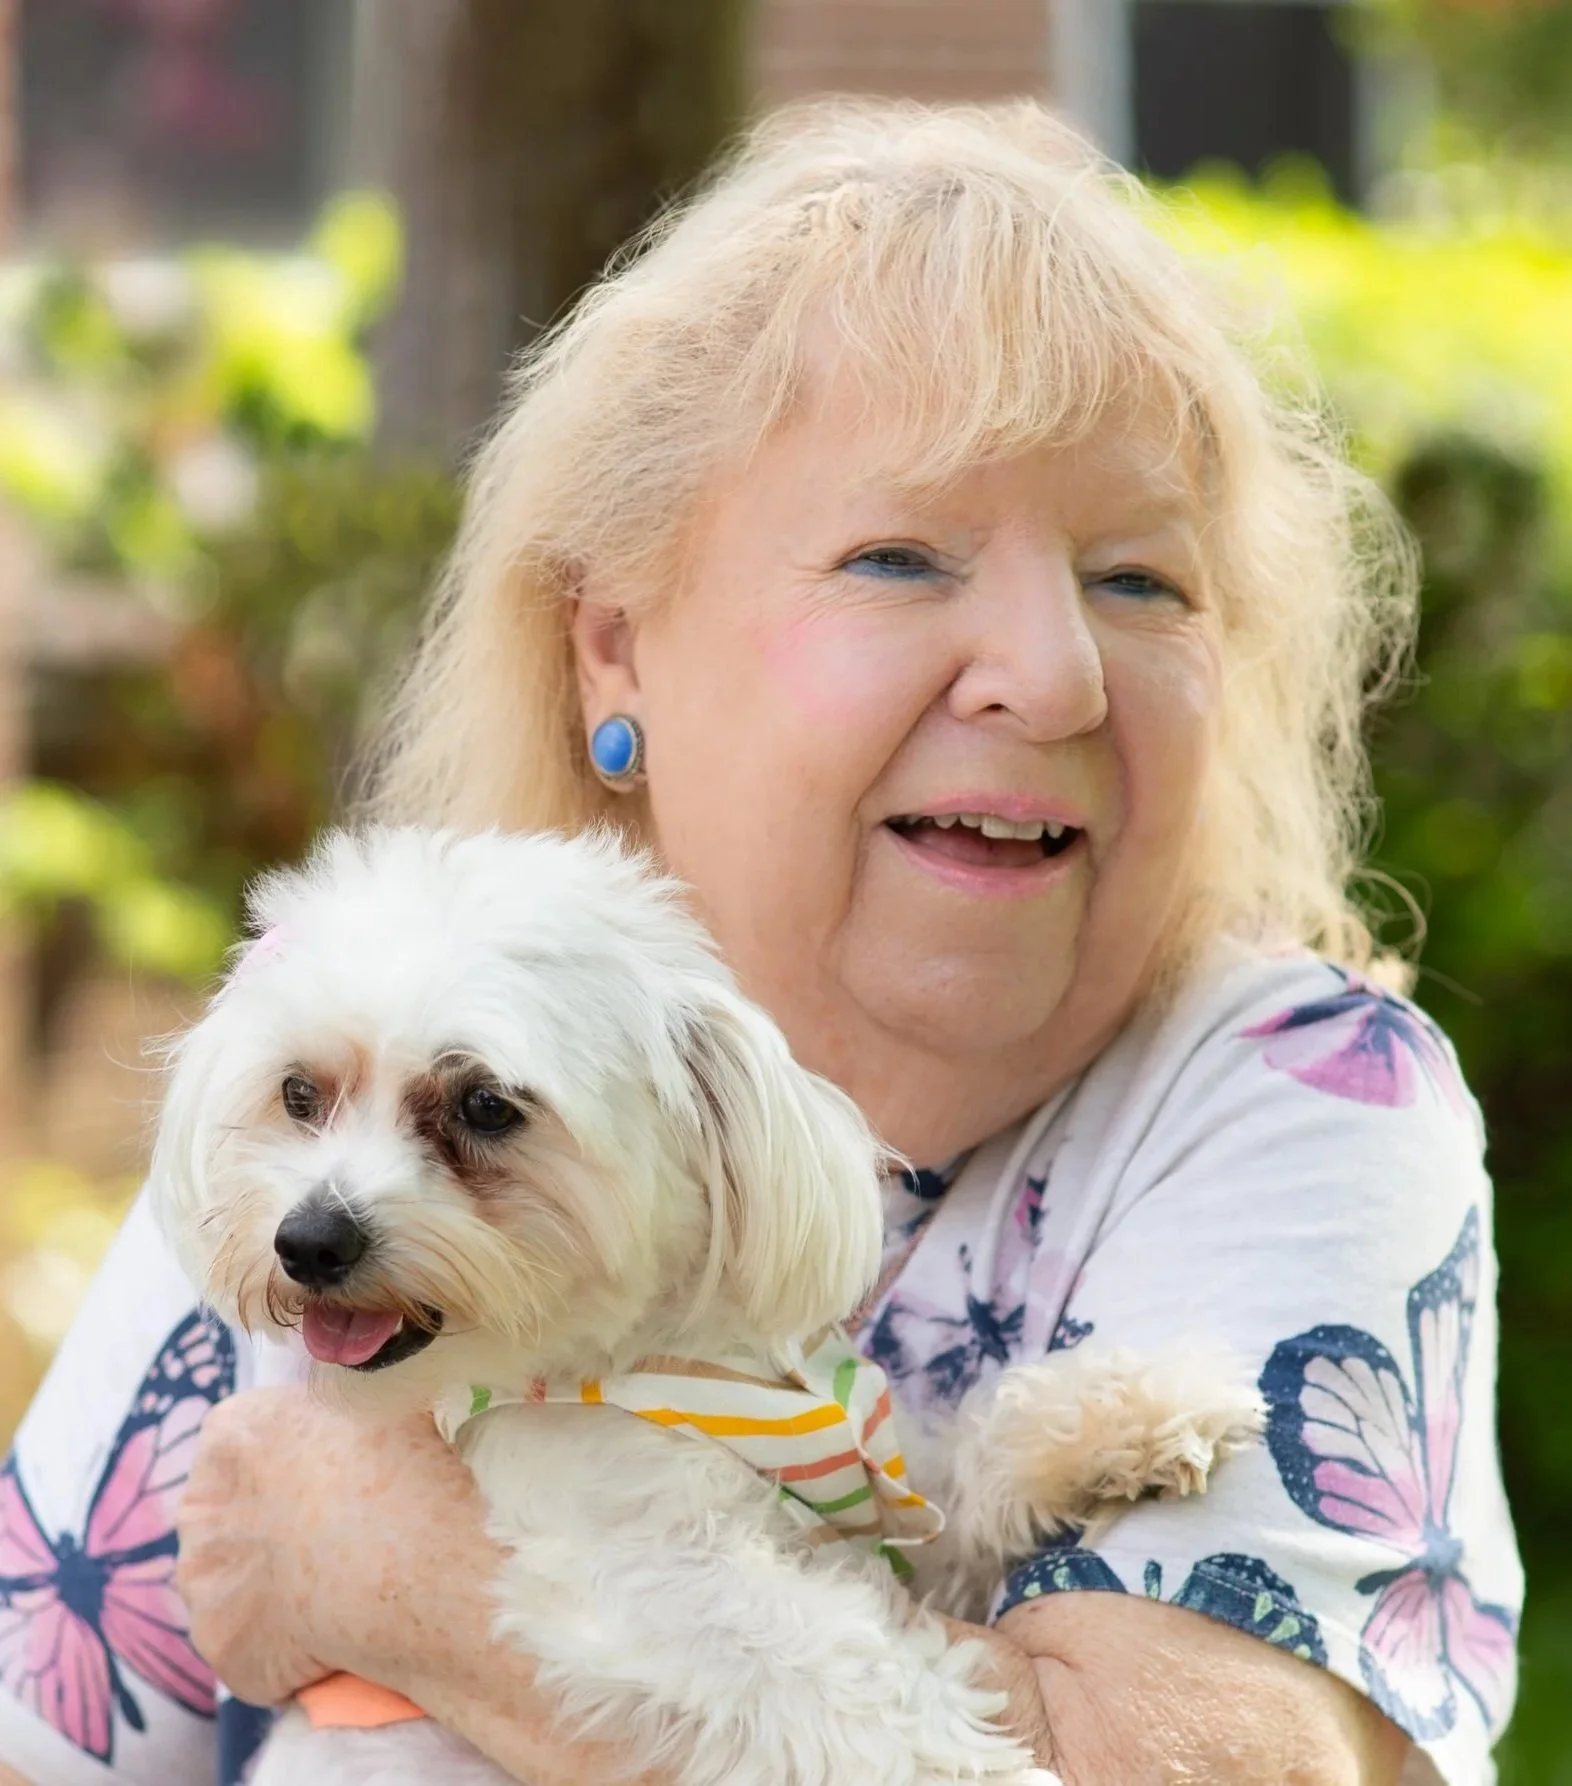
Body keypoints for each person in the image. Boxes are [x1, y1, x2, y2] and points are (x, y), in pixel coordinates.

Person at [0, 99, 1521, 1786]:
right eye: (901, 554)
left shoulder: (1295, 1097)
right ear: (615, 650)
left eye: (1141, 582)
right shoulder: (315, 1096)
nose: (1055, 672)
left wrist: (400, 1568)